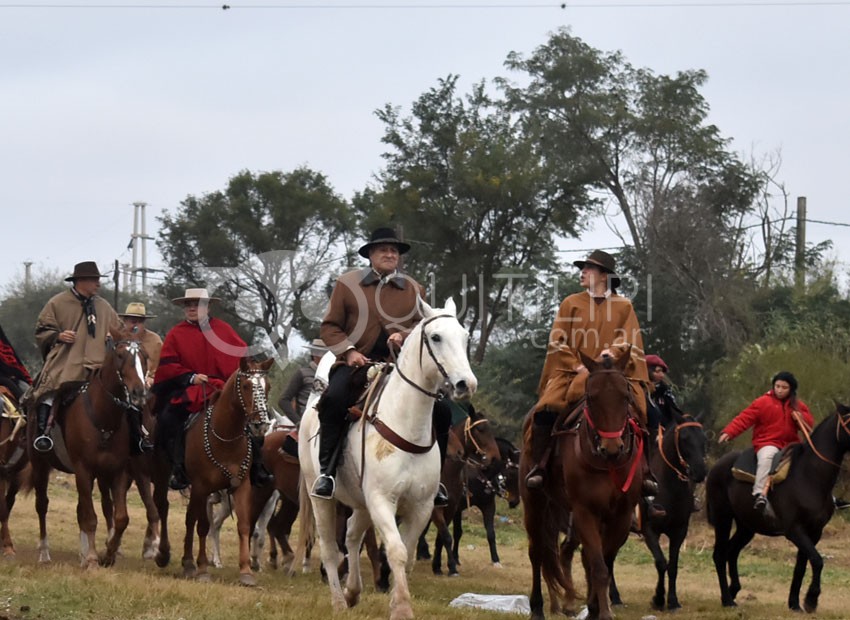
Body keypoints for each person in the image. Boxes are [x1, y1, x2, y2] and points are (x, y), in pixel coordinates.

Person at [312, 227, 452, 505]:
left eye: (394, 251)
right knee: (334, 400)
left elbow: (424, 324)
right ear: (370, 255)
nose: (390, 254)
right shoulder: (347, 283)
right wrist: (349, 351)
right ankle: (327, 473)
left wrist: (407, 335)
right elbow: (330, 327)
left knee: (444, 410)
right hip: (356, 365)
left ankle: (436, 481)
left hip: (400, 368)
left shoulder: (414, 288)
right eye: (383, 250)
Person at [525, 250, 658, 505]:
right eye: (583, 268)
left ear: (604, 276)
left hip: (615, 374)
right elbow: (557, 339)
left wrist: (612, 353)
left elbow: (628, 339)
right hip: (574, 372)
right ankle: (539, 466)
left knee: (650, 414)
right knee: (544, 410)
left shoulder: (624, 306)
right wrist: (577, 366)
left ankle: (646, 472)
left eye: (589, 269)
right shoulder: (570, 303)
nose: (583, 272)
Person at [152, 288, 272, 490]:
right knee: (167, 420)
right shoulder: (175, 334)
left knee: (256, 417)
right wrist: (191, 377)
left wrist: (254, 369)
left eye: (197, 304)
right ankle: (179, 468)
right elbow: (168, 368)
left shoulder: (224, 330)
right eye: (188, 305)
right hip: (191, 389)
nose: (191, 308)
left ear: (207, 307)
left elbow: (243, 358)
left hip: (224, 390)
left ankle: (257, 468)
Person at [29, 261, 121, 452]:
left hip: (99, 363)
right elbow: (42, 330)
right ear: (81, 281)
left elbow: (119, 329)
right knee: (48, 391)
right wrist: (58, 336)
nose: (98, 284)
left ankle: (137, 438)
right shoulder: (57, 303)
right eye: (95, 280)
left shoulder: (104, 306)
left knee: (125, 395)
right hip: (67, 361)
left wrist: (115, 336)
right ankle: (43, 435)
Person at [718, 371, 813, 514]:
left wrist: (801, 417)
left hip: (791, 444)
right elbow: (745, 418)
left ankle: (825, 497)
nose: (780, 390)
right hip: (767, 442)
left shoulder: (798, 406)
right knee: (767, 458)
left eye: (784, 387)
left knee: (812, 461)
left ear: (791, 389)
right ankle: (760, 494)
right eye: (777, 386)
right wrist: (729, 432)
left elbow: (809, 424)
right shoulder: (762, 402)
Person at [118, 302, 162, 452]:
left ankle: (142, 436)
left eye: (139, 321)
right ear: (125, 321)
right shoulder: (117, 338)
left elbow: (159, 365)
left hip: (145, 383)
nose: (135, 325)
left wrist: (152, 378)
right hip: (120, 382)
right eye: (131, 321)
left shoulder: (154, 340)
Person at [278, 338, 327, 426]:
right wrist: (298, 422)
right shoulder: (302, 373)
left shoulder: (332, 374)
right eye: (321, 353)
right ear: (314, 354)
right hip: (307, 422)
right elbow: (283, 400)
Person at [645, 354, 682, 434]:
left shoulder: (665, 392)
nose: (661, 375)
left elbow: (675, 412)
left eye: (662, 371)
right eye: (657, 371)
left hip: (665, 433)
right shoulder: (640, 391)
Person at [0, 324, 32, 400]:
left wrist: (14, 374)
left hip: (12, 376)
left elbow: (11, 358)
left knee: (30, 392)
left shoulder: (3, 343)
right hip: (4, 378)